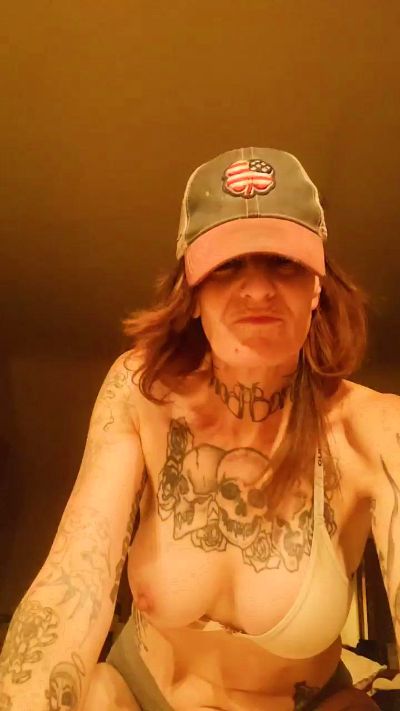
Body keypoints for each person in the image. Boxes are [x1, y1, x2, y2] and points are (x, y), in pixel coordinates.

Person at [1, 147, 398, 711]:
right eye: (228, 266)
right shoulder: (142, 390)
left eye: (283, 263)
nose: (257, 290)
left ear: (316, 287)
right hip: (141, 692)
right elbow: (73, 580)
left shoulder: (373, 429)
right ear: (192, 294)